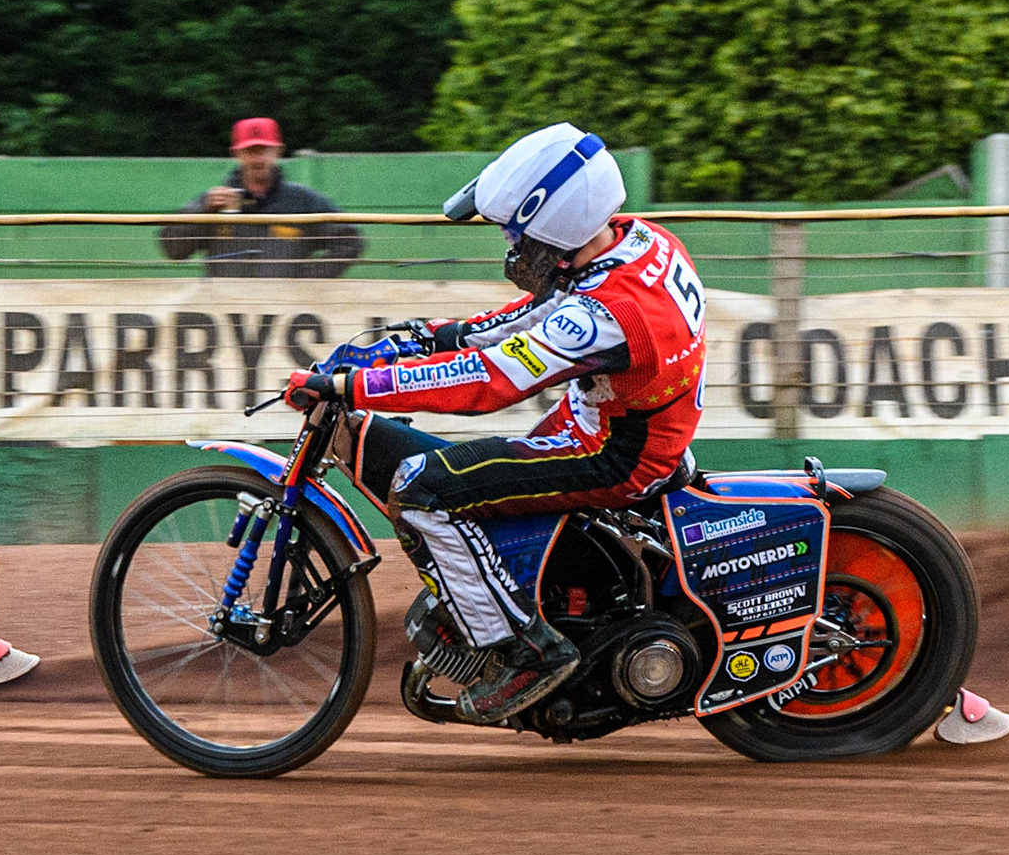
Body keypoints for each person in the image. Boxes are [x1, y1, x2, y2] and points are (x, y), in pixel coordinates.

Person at [284, 122, 707, 722]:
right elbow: (535, 314)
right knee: (466, 475)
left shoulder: (608, 312)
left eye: (513, 230)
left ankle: (526, 651)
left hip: (614, 451)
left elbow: (490, 382)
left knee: (421, 487)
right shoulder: (634, 242)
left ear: (552, 222)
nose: (508, 243)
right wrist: (421, 340)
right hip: (617, 423)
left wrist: (356, 386)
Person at [158, 117, 363, 278]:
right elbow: (172, 248)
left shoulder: (303, 200)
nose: (257, 158)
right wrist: (202, 210)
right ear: (236, 153)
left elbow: (350, 241)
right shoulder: (213, 201)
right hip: (223, 314)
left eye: (263, 150)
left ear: (278, 151)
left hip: (286, 316)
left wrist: (309, 282)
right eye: (250, 150)